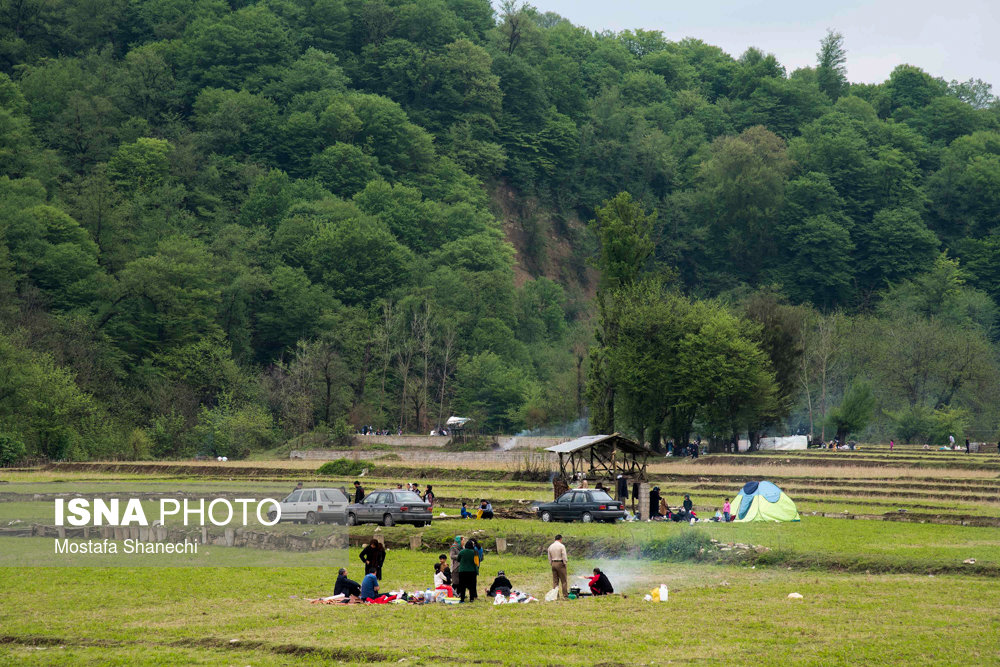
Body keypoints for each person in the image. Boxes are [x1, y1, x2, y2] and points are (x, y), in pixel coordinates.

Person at [547, 534, 569, 598]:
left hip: (553, 563)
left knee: (555, 581)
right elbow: (564, 555)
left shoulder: (550, 546)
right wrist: (565, 563)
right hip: (560, 563)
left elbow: (549, 557)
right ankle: (565, 595)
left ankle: (556, 595)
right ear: (560, 539)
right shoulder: (561, 546)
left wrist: (551, 563)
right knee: (564, 580)